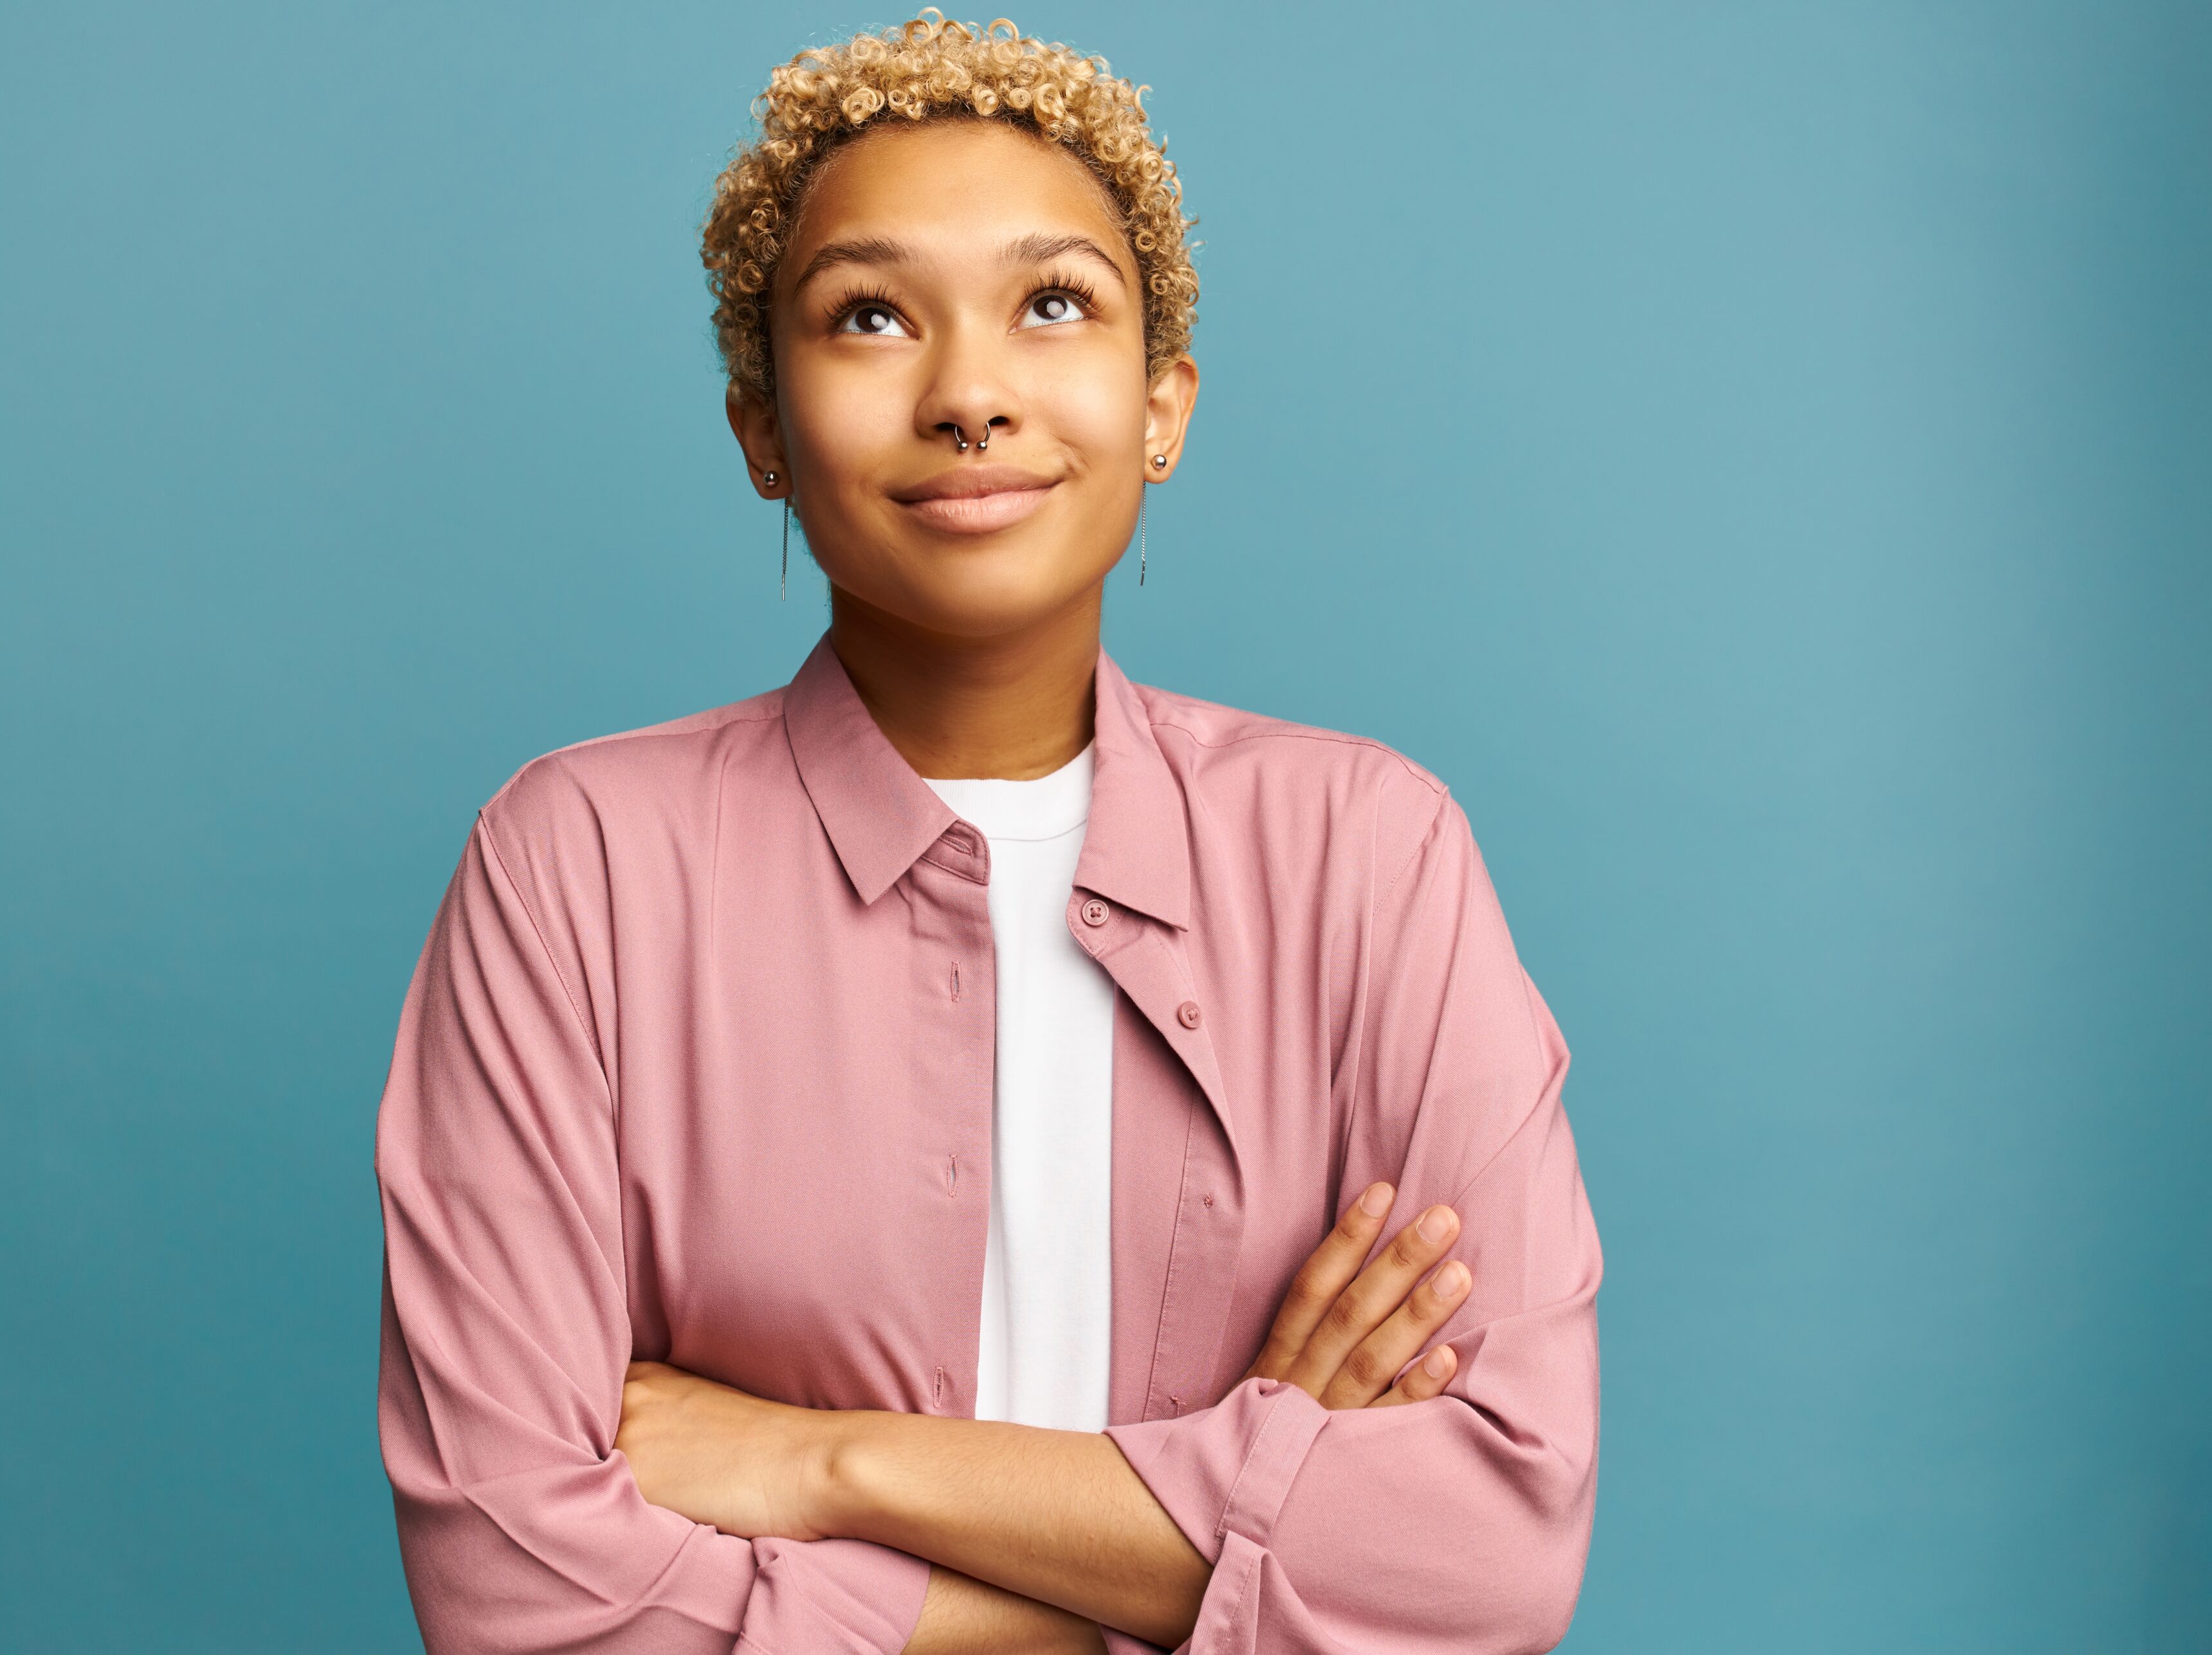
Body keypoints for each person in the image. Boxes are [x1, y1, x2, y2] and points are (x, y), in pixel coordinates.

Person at [373, 14, 1601, 1653]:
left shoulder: (1371, 855)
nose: (969, 394)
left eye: (1054, 304)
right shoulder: (576, 868)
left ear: (1163, 402)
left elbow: (1487, 1559)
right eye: (870, 316)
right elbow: (519, 1597)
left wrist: (823, 1462)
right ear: (761, 424)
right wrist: (1215, 1538)